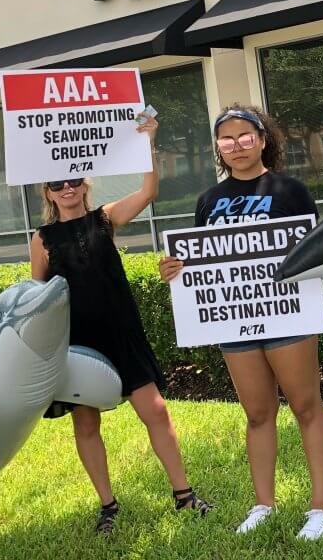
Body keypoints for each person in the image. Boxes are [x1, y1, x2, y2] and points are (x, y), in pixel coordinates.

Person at [158, 106, 323, 541]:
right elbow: (202, 259)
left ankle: (322, 509)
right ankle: (263, 503)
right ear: (217, 147)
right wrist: (175, 269)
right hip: (235, 320)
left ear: (261, 138)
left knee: (305, 406)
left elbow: (313, 248)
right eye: (226, 139)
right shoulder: (207, 201)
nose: (236, 146)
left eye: (244, 136)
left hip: (286, 312)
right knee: (257, 413)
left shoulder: (289, 189)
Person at [30, 114, 210, 535]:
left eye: (73, 179)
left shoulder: (105, 219)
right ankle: (108, 506)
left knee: (156, 412)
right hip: (78, 345)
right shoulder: (41, 239)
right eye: (57, 183)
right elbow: (36, 296)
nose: (67, 187)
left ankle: (184, 495)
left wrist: (148, 140)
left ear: (84, 183)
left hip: (121, 334)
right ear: (48, 192)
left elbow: (149, 191)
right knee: (87, 424)